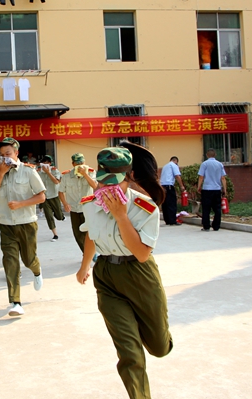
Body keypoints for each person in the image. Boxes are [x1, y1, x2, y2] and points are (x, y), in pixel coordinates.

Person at [76, 142, 172, 399]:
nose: (108, 189)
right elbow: (91, 236)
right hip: (107, 277)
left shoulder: (145, 207)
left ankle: (152, 331)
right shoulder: (90, 203)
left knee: (160, 347)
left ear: (129, 177)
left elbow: (141, 253)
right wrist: (85, 266)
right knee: (129, 353)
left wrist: (121, 216)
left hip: (140, 275)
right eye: (104, 181)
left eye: (115, 182)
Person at [0, 137, 46, 317]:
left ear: (16, 153)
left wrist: (21, 204)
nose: (5, 158)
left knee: (28, 259)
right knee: (10, 262)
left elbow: (41, 196)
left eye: (8, 154)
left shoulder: (28, 172)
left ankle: (36, 270)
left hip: (27, 222)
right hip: (6, 224)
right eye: (2, 156)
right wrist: (1, 174)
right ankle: (15, 302)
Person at [58, 153, 97, 253]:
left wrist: (85, 174)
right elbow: (61, 191)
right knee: (78, 233)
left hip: (88, 208)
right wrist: (65, 203)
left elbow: (95, 186)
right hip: (74, 209)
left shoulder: (91, 172)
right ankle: (86, 253)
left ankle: (91, 254)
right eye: (77, 163)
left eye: (82, 162)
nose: (80, 165)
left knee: (90, 232)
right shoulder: (66, 176)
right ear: (73, 164)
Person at [197, 148, 227, 231]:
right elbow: (223, 178)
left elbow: (201, 176)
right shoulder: (220, 164)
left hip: (207, 189)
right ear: (215, 155)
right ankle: (216, 226)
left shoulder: (204, 164)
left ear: (207, 155)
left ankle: (206, 226)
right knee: (217, 208)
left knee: (206, 208)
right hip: (217, 189)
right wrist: (224, 189)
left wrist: (199, 186)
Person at [38, 155, 65, 241]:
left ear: (50, 163)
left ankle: (61, 216)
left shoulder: (54, 171)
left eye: (46, 163)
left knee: (59, 216)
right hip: (44, 197)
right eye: (43, 163)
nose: (45, 165)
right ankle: (55, 234)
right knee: (49, 216)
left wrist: (48, 172)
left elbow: (56, 182)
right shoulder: (39, 172)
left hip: (54, 195)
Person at [160, 156, 186, 226]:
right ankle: (172, 220)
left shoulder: (165, 166)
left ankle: (167, 220)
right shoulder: (174, 165)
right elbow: (177, 176)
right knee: (171, 203)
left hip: (162, 186)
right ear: (176, 161)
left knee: (165, 204)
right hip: (169, 186)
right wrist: (181, 186)